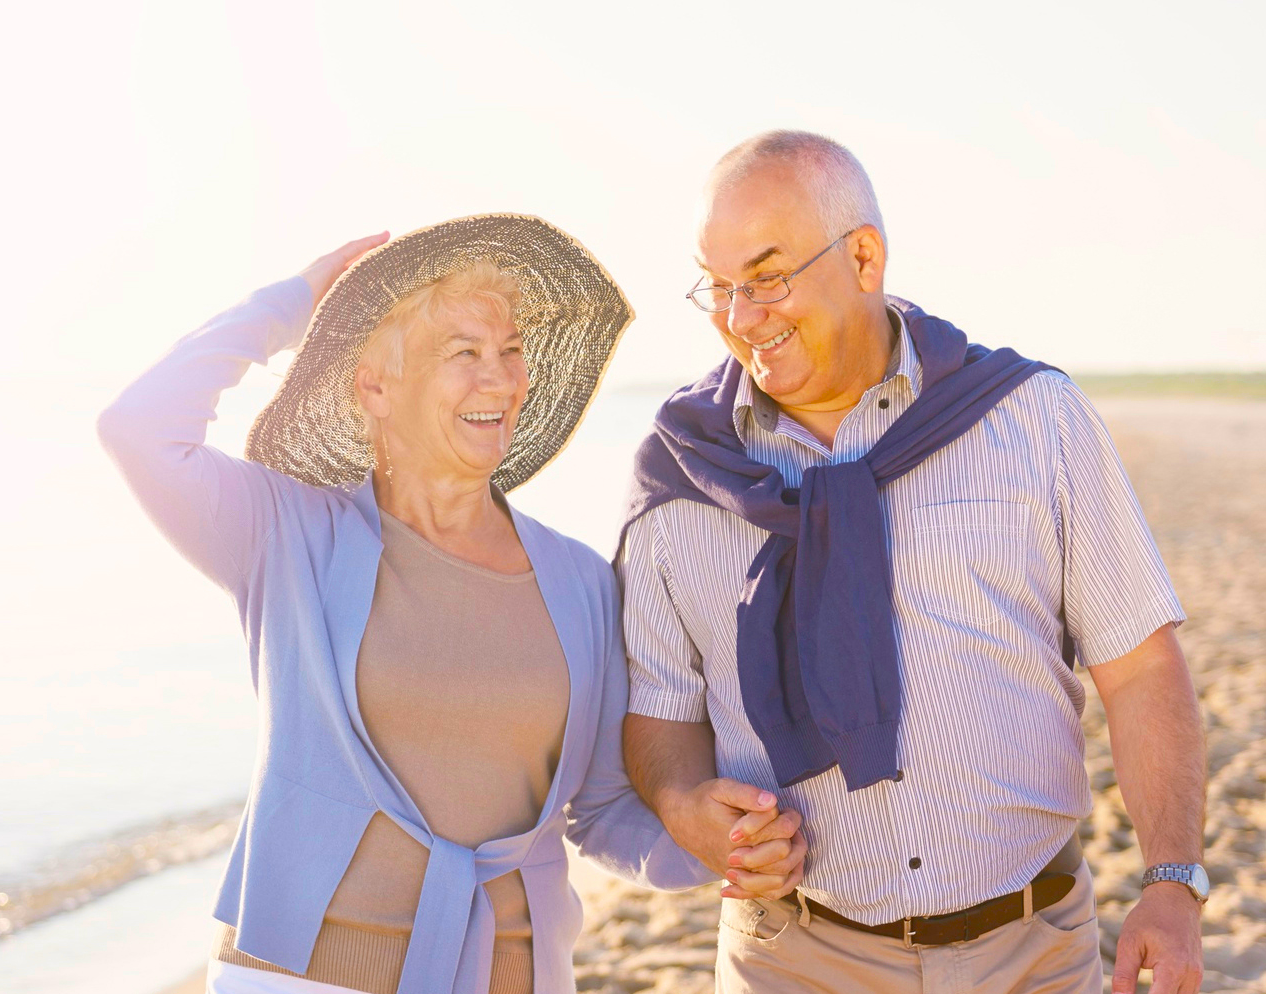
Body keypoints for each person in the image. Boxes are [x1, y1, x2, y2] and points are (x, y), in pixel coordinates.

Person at [98, 215, 804, 994]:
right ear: (374, 384)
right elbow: (138, 428)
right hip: (297, 975)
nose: (497, 379)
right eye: (462, 354)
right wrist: (294, 304)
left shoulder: (581, 581)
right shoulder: (286, 534)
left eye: (509, 353)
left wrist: (706, 842)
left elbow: (601, 811)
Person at [617, 132, 1206, 994]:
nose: (741, 318)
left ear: (862, 257)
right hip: (792, 956)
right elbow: (659, 710)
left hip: (1031, 952)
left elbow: (1142, 668)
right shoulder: (679, 472)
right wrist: (682, 807)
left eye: (767, 276)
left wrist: (1171, 881)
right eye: (718, 286)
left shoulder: (1031, 419)